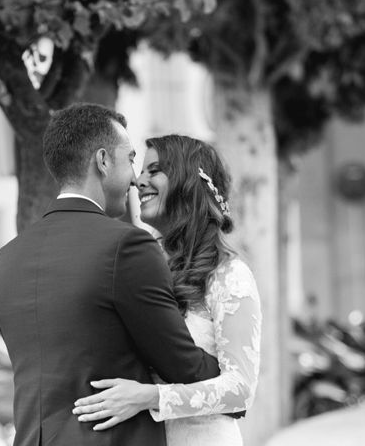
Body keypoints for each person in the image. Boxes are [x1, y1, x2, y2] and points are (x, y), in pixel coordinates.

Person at [0, 104, 221, 446]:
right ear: (102, 160)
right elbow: (182, 366)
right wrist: (232, 374)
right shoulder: (126, 246)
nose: (134, 179)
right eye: (129, 159)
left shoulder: (6, 258)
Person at [72, 134, 262, 446]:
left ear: (189, 183)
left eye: (154, 170)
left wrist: (150, 397)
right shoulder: (140, 267)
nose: (138, 181)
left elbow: (240, 389)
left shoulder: (230, 276)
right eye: (141, 170)